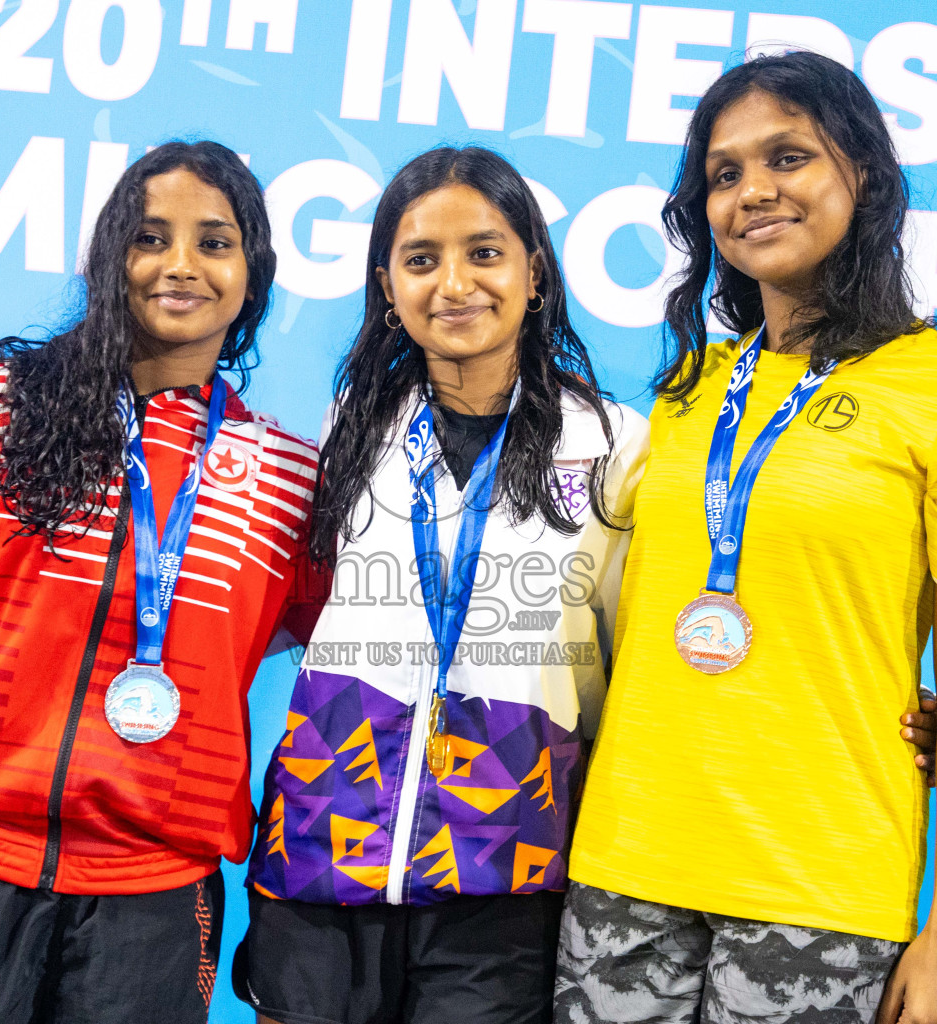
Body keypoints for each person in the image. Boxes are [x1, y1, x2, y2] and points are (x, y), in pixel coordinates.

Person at [556, 51, 937, 1024]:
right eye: (724, 174)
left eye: (788, 157)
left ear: (861, 174)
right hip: (624, 868)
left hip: (819, 887)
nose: (752, 192)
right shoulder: (689, 390)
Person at [0, 140, 321, 1024]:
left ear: (253, 274)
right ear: (108, 255)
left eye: (215, 242)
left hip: (157, 901)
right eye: (151, 237)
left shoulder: (286, 480)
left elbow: (353, 669)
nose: (181, 266)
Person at [231, 146, 648, 1024]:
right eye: (421, 260)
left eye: (485, 253)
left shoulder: (615, 445)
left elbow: (643, 654)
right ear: (388, 285)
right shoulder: (354, 424)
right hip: (322, 849)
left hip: (502, 865)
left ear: (535, 272)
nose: (454, 284)